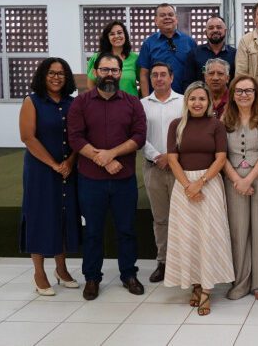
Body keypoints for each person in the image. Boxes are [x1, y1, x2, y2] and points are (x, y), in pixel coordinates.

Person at [67, 53, 147, 301]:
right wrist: (102, 159)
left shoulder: (133, 103)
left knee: (127, 230)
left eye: (114, 70)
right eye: (104, 70)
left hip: (124, 179)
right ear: (96, 72)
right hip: (90, 180)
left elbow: (139, 137)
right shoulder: (80, 103)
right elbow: (75, 138)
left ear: (120, 73)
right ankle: (92, 278)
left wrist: (111, 154)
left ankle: (128, 274)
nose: (109, 75)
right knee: (93, 231)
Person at [164, 81, 234, 316]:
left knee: (208, 235)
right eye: (192, 98)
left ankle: (206, 289)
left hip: (209, 185)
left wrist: (200, 183)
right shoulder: (176, 125)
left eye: (202, 99)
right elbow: (172, 159)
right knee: (189, 236)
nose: (197, 103)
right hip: (183, 186)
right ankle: (194, 282)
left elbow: (221, 158)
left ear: (209, 102)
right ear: (186, 101)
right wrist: (188, 186)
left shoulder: (216, 125)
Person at [19, 58, 80, 296]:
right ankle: (39, 273)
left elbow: (79, 137)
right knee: (39, 216)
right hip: (41, 171)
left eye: (61, 73)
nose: (56, 77)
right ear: (43, 75)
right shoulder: (32, 101)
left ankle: (61, 269)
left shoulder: (72, 103)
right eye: (52, 73)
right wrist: (54, 165)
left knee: (63, 215)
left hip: (67, 169)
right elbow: (28, 137)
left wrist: (70, 162)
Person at [221, 74, 258, 301]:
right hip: (233, 179)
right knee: (238, 230)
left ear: (256, 94)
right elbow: (221, 154)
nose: (244, 95)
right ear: (232, 94)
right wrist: (237, 179)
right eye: (239, 91)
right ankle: (241, 282)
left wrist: (249, 180)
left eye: (248, 90)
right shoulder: (225, 117)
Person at [140, 62, 183, 283]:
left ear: (171, 78)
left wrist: (171, 156)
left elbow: (188, 133)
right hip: (153, 167)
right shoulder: (142, 105)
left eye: (163, 74)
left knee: (183, 217)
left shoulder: (183, 102)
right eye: (155, 75)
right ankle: (163, 262)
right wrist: (157, 156)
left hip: (180, 168)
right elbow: (138, 135)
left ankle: (183, 262)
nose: (159, 78)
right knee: (160, 218)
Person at [138, 3, 197, 97]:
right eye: (162, 15)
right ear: (156, 20)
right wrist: (146, 100)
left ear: (176, 19)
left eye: (170, 14)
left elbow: (195, 72)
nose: (167, 17)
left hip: (185, 98)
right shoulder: (148, 43)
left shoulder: (189, 42)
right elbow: (144, 74)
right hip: (156, 99)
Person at [86, 20, 139, 96]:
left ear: (125, 35)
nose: (116, 36)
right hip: (106, 102)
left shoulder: (135, 58)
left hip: (130, 102)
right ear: (107, 38)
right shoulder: (98, 57)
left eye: (120, 33)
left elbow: (143, 80)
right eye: (112, 34)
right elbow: (90, 84)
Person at [185, 15, 236, 88]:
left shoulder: (235, 54)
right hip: (201, 95)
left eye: (219, 27)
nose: (215, 30)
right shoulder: (194, 54)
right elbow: (188, 82)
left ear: (225, 31)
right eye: (211, 28)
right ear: (206, 32)